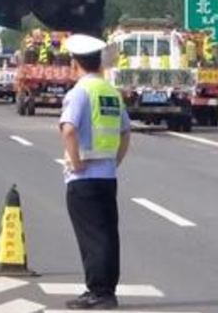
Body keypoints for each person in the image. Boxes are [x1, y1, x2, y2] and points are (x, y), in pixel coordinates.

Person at [60, 34, 131, 310]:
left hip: (83, 179)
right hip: (107, 176)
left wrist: (76, 162)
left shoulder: (80, 92)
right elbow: (126, 133)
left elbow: (68, 129)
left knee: (92, 237)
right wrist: (115, 161)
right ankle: (106, 290)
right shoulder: (110, 91)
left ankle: (98, 292)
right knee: (108, 234)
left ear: (75, 63)